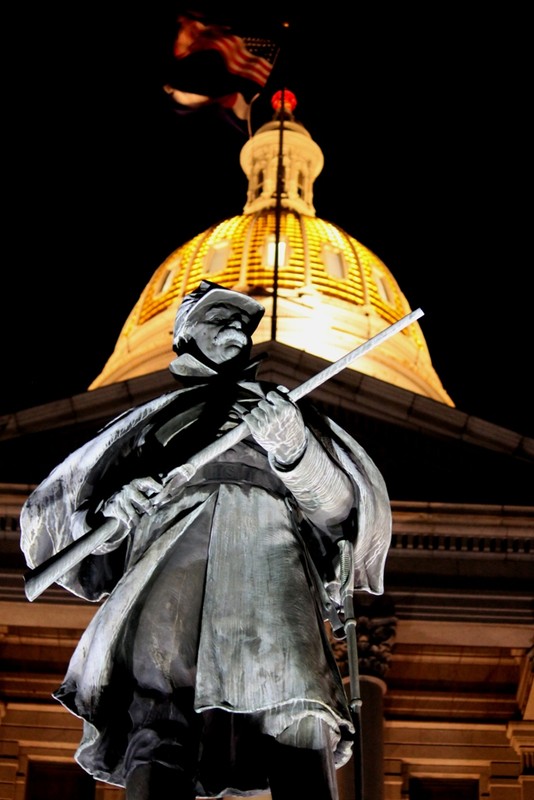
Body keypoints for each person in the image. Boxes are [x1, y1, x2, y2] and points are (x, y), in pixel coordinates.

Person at [20, 281, 392, 800]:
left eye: (243, 322)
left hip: (270, 563)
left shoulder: (285, 414)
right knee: (160, 715)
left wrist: (294, 451)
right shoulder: (151, 424)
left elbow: (339, 512)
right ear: (184, 336)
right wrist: (112, 511)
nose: (238, 327)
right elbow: (63, 518)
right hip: (170, 564)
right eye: (220, 317)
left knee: (301, 710)